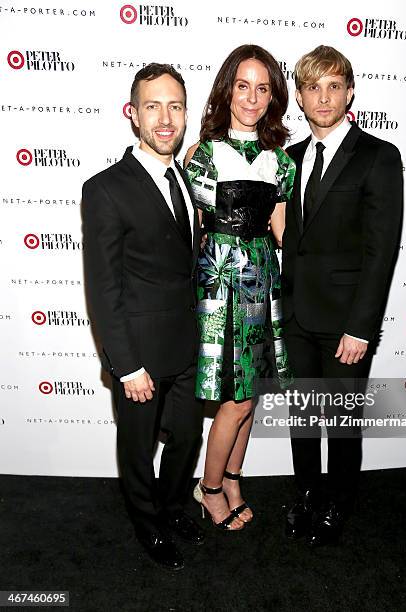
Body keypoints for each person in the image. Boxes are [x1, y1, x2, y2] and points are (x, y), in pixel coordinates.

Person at [82, 63, 205, 570]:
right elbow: (103, 287)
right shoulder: (106, 188)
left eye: (175, 105)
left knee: (187, 438)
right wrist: (125, 364)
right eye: (152, 106)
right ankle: (146, 524)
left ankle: (173, 506)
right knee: (137, 449)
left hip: (189, 343)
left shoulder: (193, 178)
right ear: (132, 115)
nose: (165, 117)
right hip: (139, 352)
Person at [282, 45, 403, 547]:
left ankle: (338, 502)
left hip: (345, 324)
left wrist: (360, 327)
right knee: (303, 418)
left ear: (350, 91)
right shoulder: (287, 160)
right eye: (313, 87)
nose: (324, 97)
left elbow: (382, 252)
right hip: (294, 316)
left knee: (342, 421)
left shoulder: (378, 156)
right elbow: (288, 237)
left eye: (334, 86)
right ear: (300, 97)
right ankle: (308, 494)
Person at [184, 44, 295, 530]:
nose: (251, 97)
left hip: (262, 281)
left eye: (263, 88)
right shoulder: (202, 156)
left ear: (273, 97)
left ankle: (232, 479)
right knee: (236, 399)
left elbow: (283, 234)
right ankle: (207, 490)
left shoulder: (281, 163)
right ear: (227, 88)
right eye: (243, 85)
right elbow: (202, 228)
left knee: (250, 395)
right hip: (222, 284)